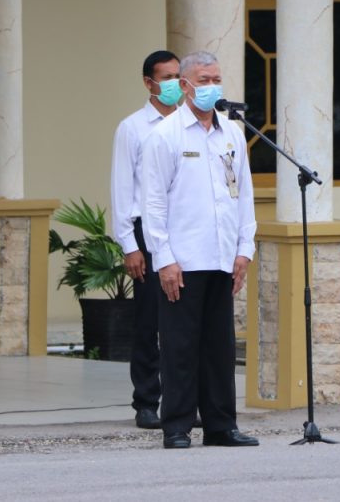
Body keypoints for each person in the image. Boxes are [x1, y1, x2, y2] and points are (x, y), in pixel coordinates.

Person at [142, 50, 259, 449]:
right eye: (204, 80)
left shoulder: (231, 134)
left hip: (222, 255)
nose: (212, 87)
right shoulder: (166, 135)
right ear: (185, 85)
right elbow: (153, 203)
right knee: (179, 346)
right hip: (183, 260)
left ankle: (221, 425)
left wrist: (244, 249)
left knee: (219, 348)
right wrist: (164, 258)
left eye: (216, 80)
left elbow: (243, 196)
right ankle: (176, 425)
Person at [110, 50, 182, 430]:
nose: (174, 84)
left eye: (177, 76)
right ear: (148, 82)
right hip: (145, 231)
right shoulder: (133, 127)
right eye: (166, 77)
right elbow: (122, 187)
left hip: (183, 230)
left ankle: (182, 401)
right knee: (149, 320)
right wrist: (130, 245)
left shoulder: (189, 125)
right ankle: (146, 401)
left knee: (183, 322)